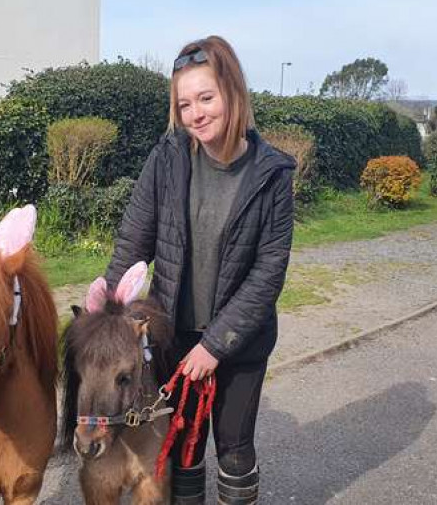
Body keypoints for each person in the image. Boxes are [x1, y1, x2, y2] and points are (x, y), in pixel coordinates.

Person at [105, 35, 295, 504]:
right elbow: (134, 239)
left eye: (206, 98)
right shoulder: (167, 158)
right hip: (176, 336)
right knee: (183, 451)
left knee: (232, 450)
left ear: (232, 94)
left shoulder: (272, 174)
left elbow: (269, 273)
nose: (196, 113)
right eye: (185, 103)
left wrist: (216, 345)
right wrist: (109, 306)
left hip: (239, 342)